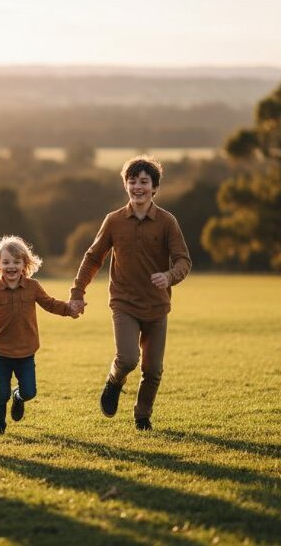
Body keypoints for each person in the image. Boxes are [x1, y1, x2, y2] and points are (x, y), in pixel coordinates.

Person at [69, 156, 191, 431]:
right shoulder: (113, 221)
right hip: (123, 303)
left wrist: (169, 276)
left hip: (157, 306)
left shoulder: (167, 221)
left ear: (154, 187)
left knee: (153, 370)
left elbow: (184, 260)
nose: (138, 187)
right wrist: (77, 291)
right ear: (125, 185)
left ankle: (142, 416)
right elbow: (93, 257)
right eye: (132, 181)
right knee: (127, 359)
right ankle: (114, 381)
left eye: (144, 182)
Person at [0, 236, 80, 435]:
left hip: (26, 352)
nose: (11, 266)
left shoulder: (33, 287)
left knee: (29, 392)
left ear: (25, 264)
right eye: (6, 262)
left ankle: (18, 397)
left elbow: (50, 304)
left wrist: (69, 309)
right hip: (1, 353)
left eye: (16, 262)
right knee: (0, 393)